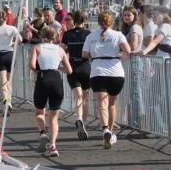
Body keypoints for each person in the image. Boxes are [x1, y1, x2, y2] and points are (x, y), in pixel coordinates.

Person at [83, 11, 131, 149]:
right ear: (111, 22)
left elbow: (84, 54)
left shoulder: (91, 36)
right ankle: (110, 131)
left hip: (98, 71)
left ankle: (104, 129)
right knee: (112, 104)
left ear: (98, 22)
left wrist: (94, 57)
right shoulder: (118, 35)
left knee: (101, 104)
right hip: (115, 71)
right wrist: (118, 57)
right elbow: (128, 50)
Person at [30, 26, 73, 157]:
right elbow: (69, 70)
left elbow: (32, 66)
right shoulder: (60, 50)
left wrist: (39, 70)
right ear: (54, 37)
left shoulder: (37, 48)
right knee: (54, 117)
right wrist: (59, 67)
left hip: (43, 78)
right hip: (56, 79)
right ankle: (53, 146)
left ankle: (43, 132)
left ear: (42, 36)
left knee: (39, 112)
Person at [61, 10, 91, 140]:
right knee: (85, 97)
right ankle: (83, 122)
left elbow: (61, 51)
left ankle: (78, 118)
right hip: (86, 68)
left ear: (74, 20)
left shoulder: (67, 34)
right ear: (84, 20)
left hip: (72, 69)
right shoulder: (88, 35)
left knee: (77, 97)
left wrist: (60, 65)